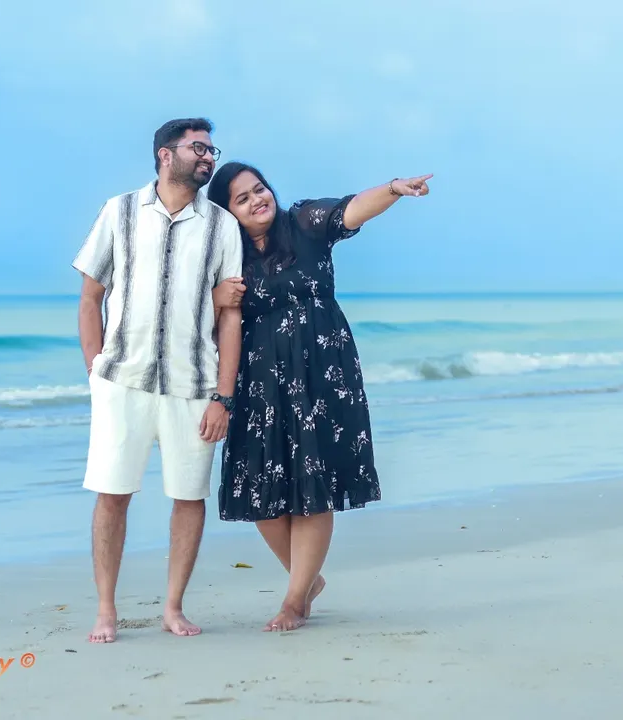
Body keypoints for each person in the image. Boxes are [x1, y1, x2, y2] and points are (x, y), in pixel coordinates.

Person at [207, 162, 432, 631]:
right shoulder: (225, 258)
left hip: (320, 373)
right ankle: (307, 577)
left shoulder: (303, 222)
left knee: (314, 483)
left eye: (259, 189)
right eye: (242, 199)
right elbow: (205, 323)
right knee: (260, 491)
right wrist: (216, 299)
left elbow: (350, 211)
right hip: (258, 382)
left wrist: (393, 188)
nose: (256, 200)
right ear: (227, 213)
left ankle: (295, 600)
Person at [72, 119, 244, 644]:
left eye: (212, 149)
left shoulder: (221, 226)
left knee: (189, 497)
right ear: (166, 155)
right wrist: (95, 369)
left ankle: (173, 607)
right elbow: (90, 295)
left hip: (193, 387)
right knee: (112, 494)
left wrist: (224, 396)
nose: (208, 157)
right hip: (121, 382)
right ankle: (106, 609)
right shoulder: (118, 211)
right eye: (199, 148)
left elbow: (230, 316)